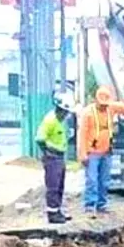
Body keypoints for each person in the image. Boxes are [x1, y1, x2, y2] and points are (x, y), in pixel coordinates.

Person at [77, 86, 124, 215]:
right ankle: (90, 206)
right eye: (102, 104)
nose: (103, 106)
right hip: (92, 153)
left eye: (105, 104)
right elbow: (82, 135)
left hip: (106, 152)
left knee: (105, 180)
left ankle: (102, 205)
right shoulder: (88, 113)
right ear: (95, 100)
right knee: (92, 180)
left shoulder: (110, 108)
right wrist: (82, 154)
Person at [37, 92, 76, 224]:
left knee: (59, 185)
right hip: (53, 158)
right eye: (66, 112)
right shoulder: (50, 120)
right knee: (53, 186)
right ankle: (52, 214)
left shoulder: (59, 121)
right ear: (60, 109)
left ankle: (57, 211)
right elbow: (40, 139)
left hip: (59, 157)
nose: (66, 115)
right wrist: (49, 150)